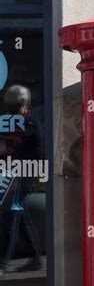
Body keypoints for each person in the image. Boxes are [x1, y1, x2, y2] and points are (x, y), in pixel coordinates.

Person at [0, 85, 43, 275]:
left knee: (12, 213)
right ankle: (34, 257)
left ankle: (3, 263)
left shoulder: (2, 121)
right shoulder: (30, 122)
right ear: (24, 103)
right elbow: (40, 151)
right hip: (22, 173)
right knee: (18, 213)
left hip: (7, 172)